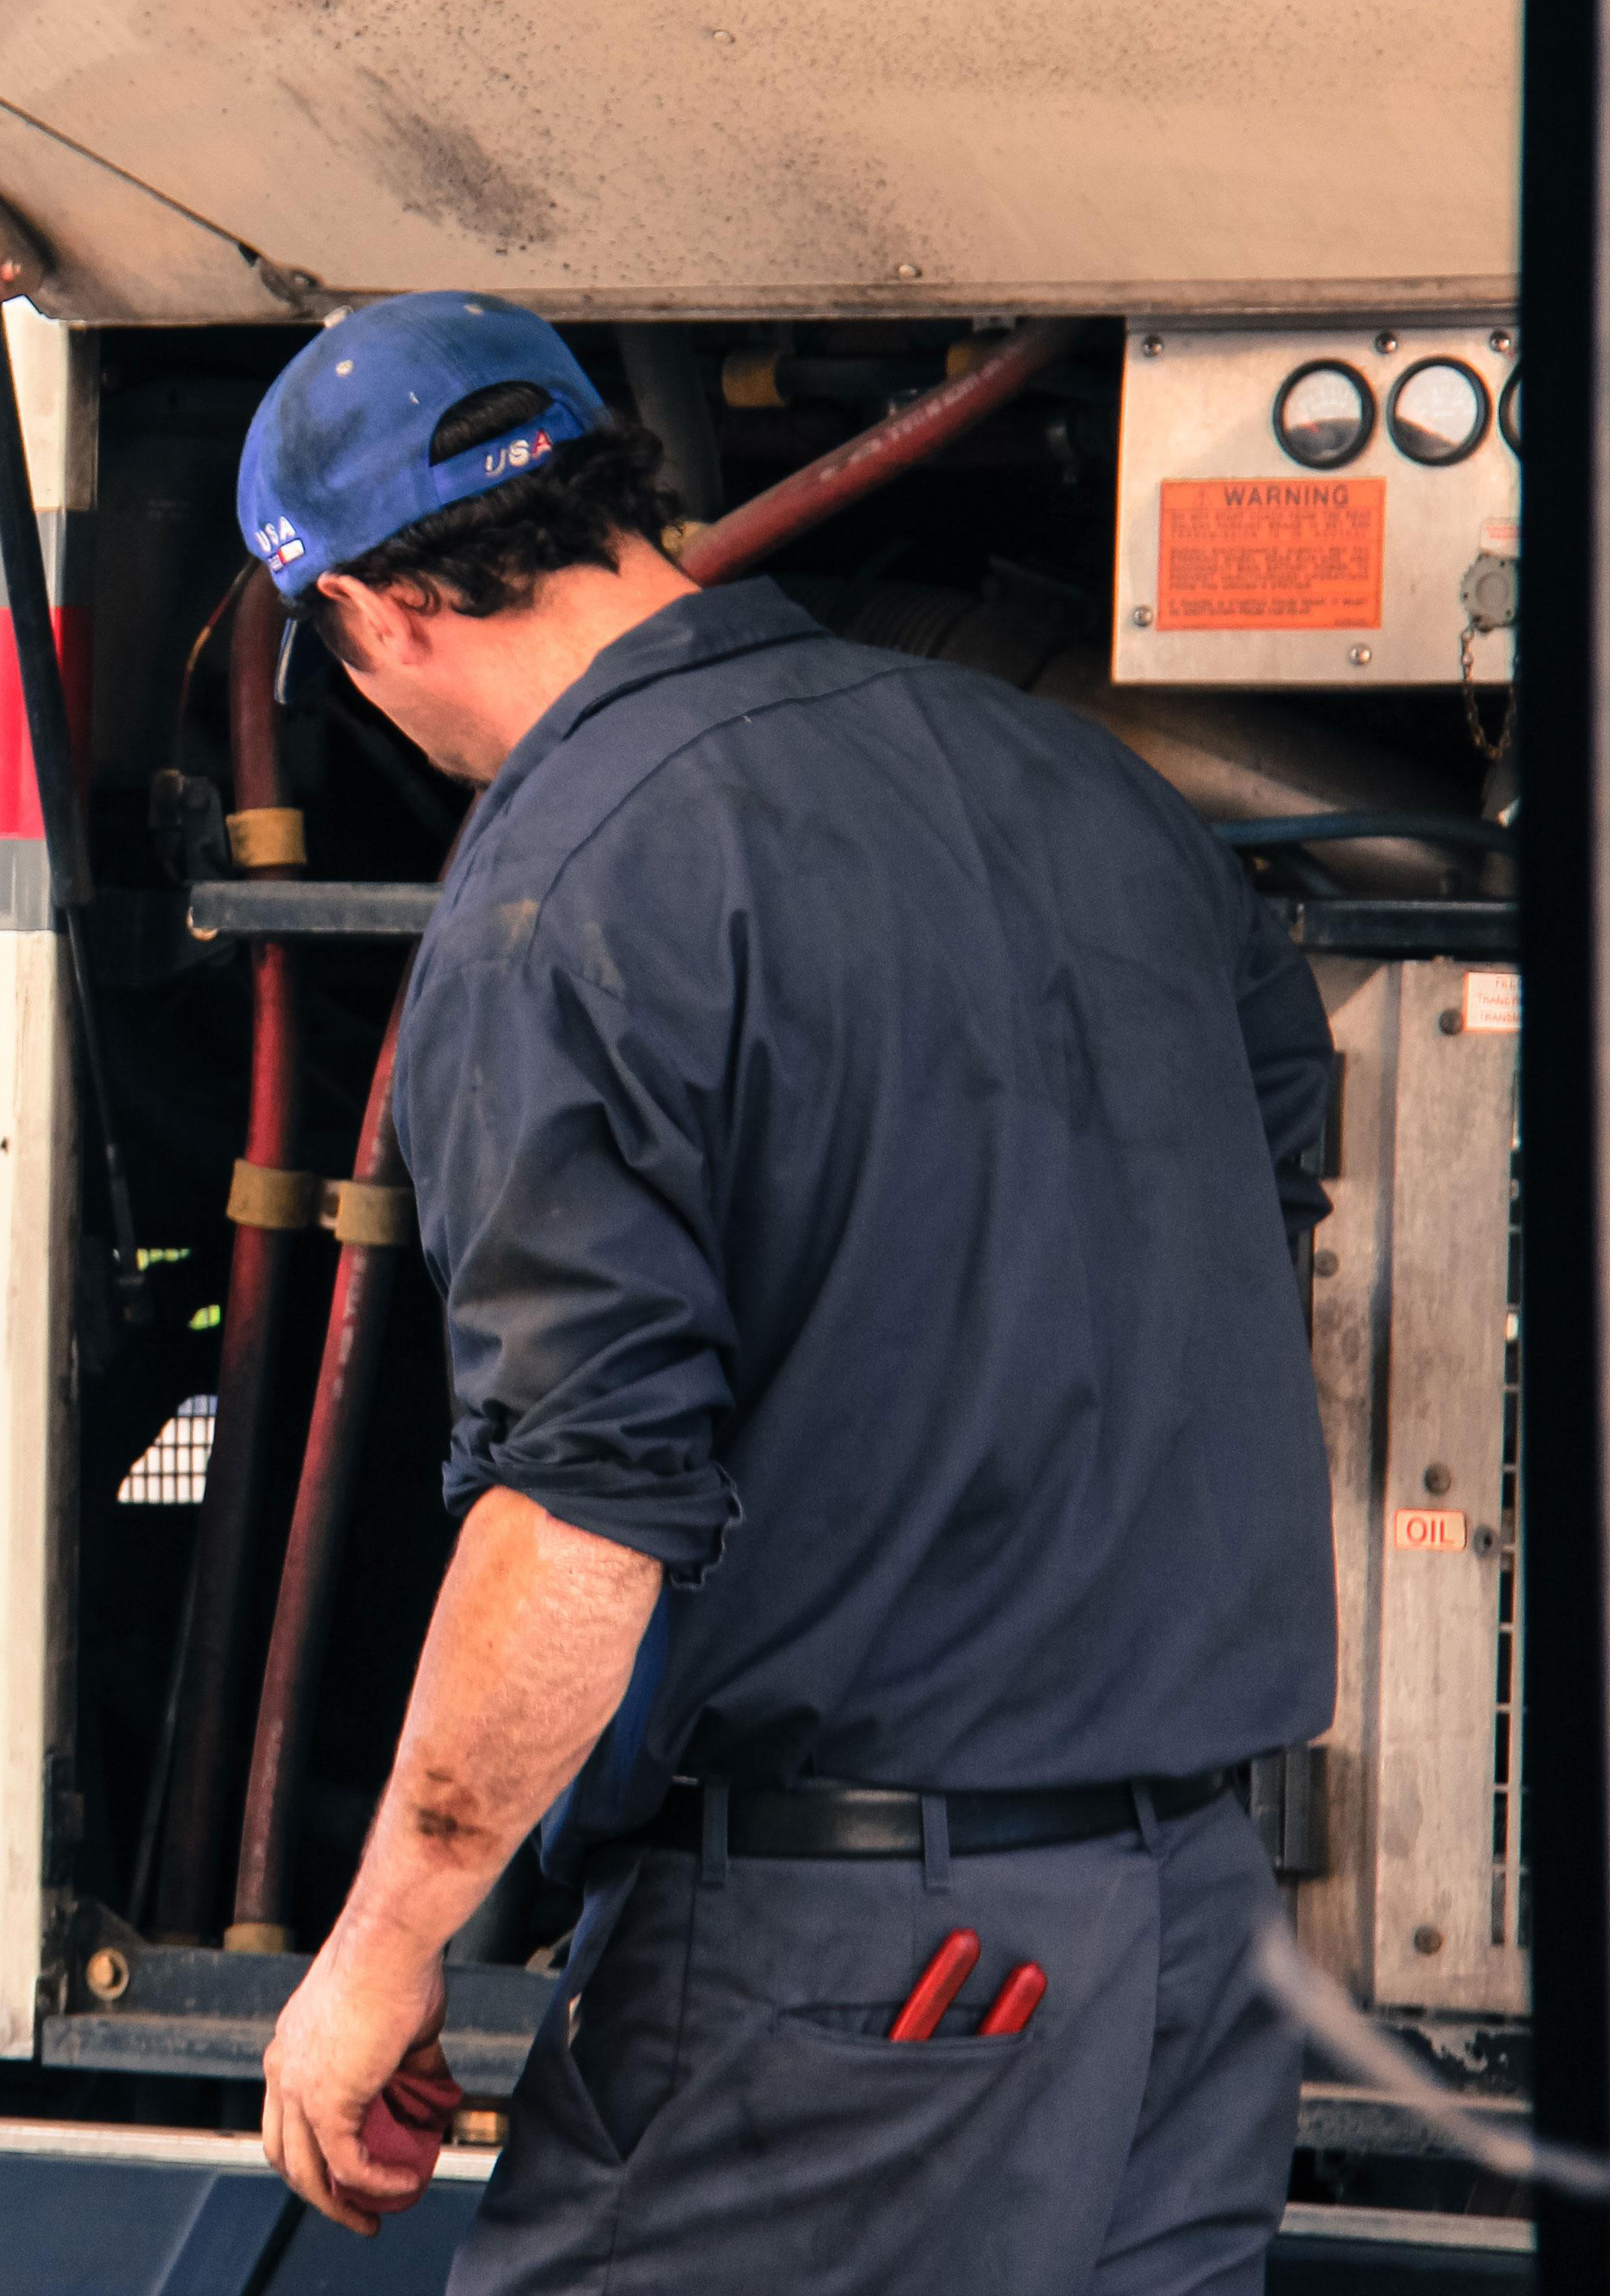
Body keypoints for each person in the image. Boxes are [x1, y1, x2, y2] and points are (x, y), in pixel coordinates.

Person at [236, 293, 1336, 2291]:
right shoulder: (1085, 789)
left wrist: (381, 1950)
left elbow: (585, 1502)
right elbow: (1263, 1186)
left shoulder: (563, 879)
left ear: (381, 619)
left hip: (862, 1967)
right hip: (1191, 1928)